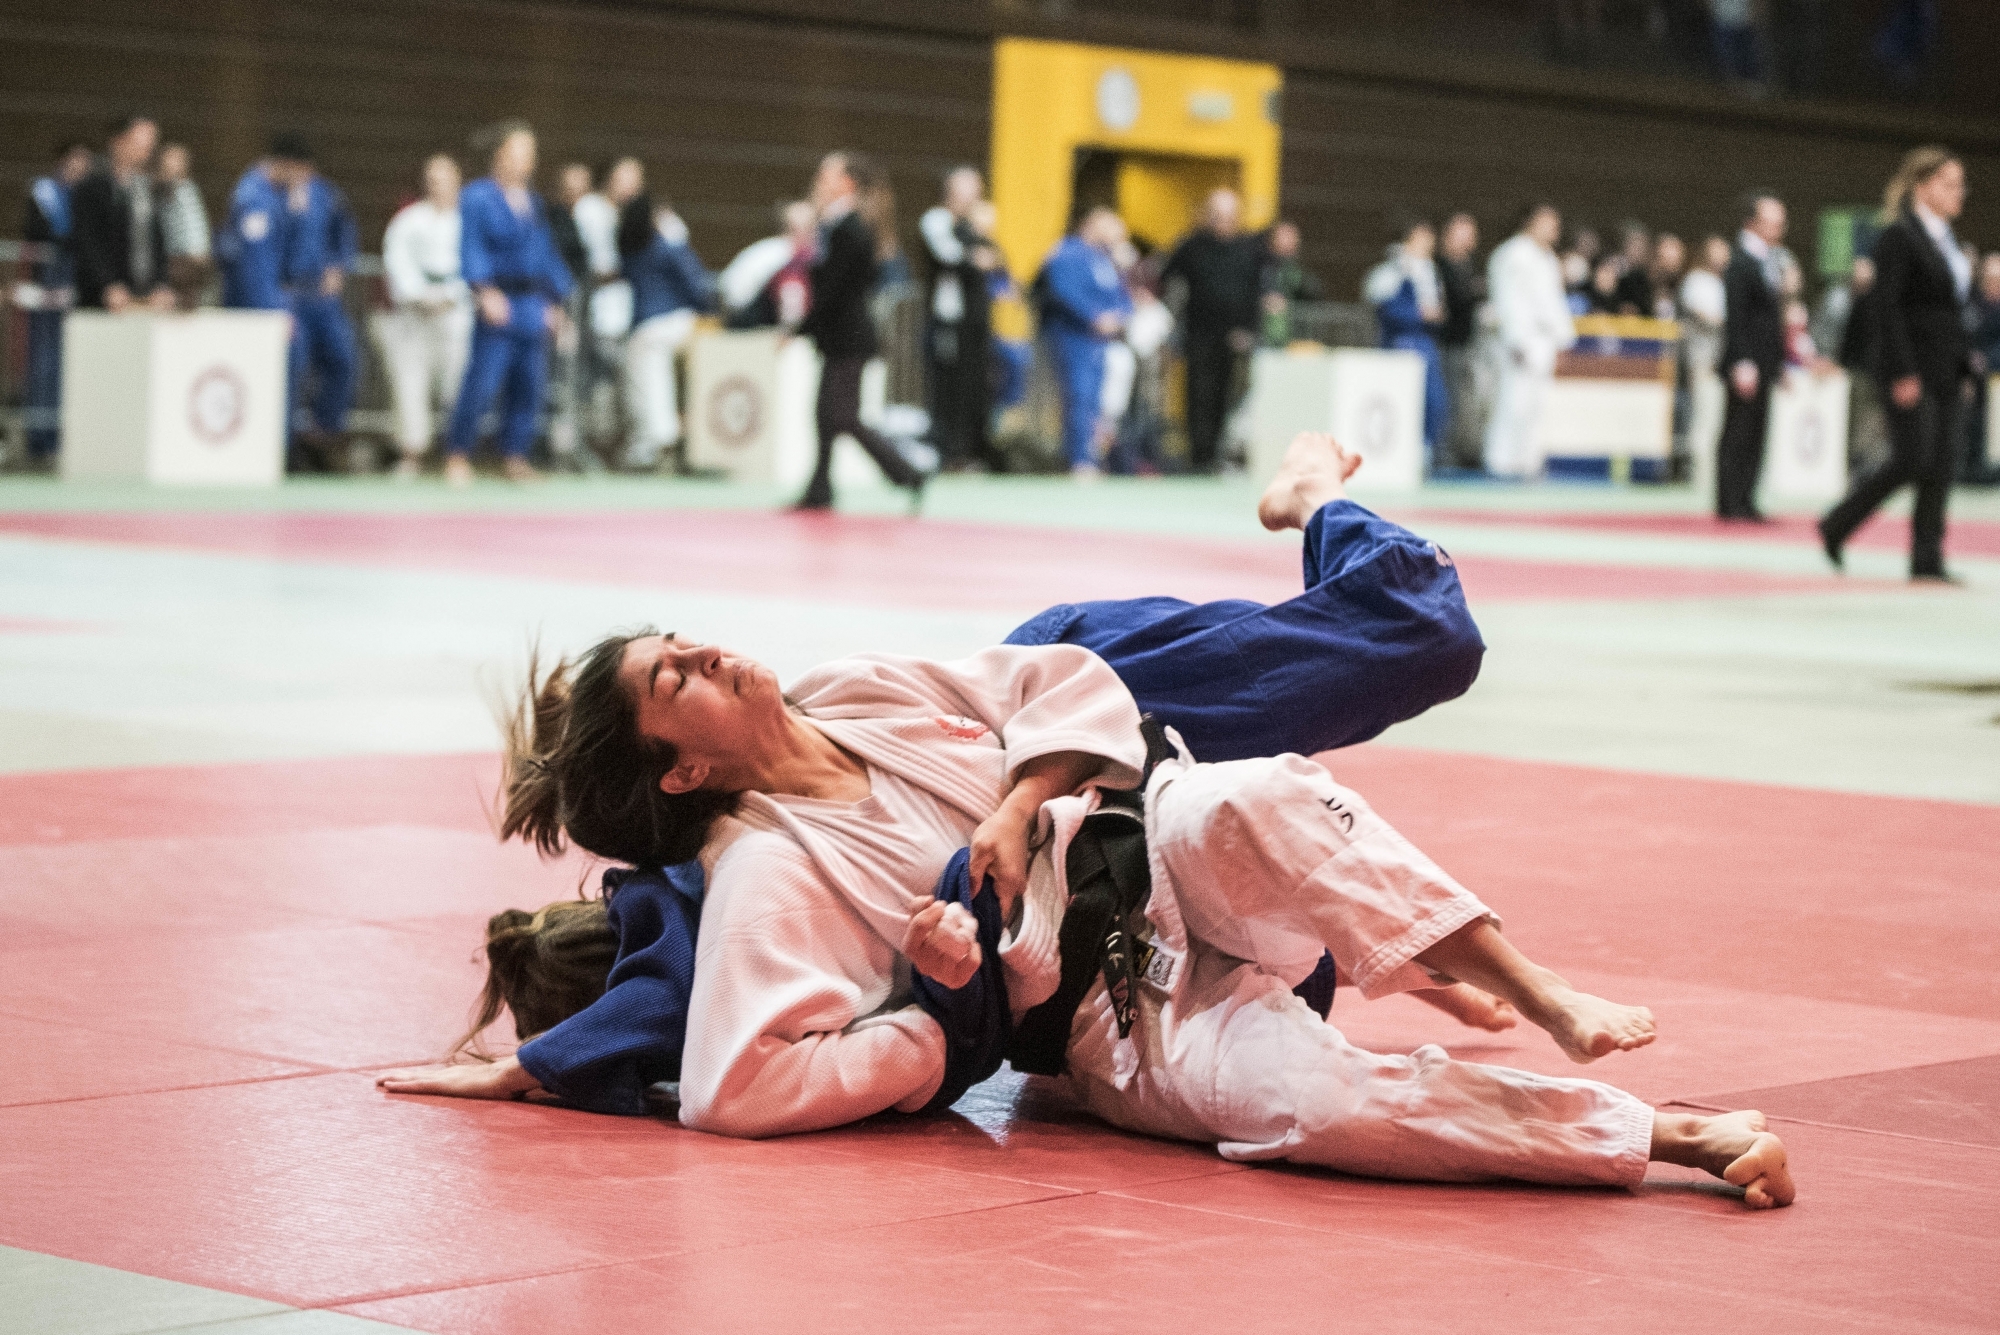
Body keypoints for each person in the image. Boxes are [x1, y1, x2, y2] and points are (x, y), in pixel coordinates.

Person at [379, 433, 1796, 1213]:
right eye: (676, 677)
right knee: (1308, 1103)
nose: (709, 651)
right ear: (680, 771)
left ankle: (1522, 976)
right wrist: (935, 1028)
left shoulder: (851, 687)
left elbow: (1061, 681)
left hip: (1135, 783)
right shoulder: (768, 876)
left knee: (1318, 734)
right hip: (1108, 1002)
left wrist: (1015, 797)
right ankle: (1654, 1125)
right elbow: (743, 1078)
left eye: (685, 636)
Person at [1821, 148, 1974, 582]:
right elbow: (1886, 311)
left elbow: (1950, 313)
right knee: (1912, 457)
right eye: (1949, 183)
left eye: (1961, 183)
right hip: (1912, 367)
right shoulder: (1899, 236)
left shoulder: (1948, 242)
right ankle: (1838, 523)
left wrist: (1963, 368)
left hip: (1946, 368)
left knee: (1942, 462)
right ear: (1922, 187)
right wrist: (1903, 371)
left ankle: (1927, 558)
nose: (1959, 192)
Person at [792, 151, 930, 512]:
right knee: (826, 415)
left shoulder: (850, 231)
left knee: (843, 418)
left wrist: (799, 327)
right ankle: (820, 488)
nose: (820, 180)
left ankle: (907, 473)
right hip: (840, 337)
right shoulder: (838, 228)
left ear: (846, 183)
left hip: (849, 338)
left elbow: (833, 290)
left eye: (827, 174)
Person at [217, 132, 360, 472]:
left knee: (343, 355)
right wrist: (275, 312)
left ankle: (321, 435)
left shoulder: (318, 192)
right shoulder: (253, 196)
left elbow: (343, 229)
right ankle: (281, 450)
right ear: (282, 165)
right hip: (276, 296)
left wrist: (337, 266)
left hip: (317, 295)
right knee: (290, 362)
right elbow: (255, 264)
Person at [442, 121, 574, 486]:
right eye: (519, 152)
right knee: (482, 381)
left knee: (529, 383)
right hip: (498, 297)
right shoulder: (478, 196)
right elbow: (471, 246)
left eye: (530, 153)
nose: (527, 160)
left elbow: (544, 254)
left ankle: (516, 456)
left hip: (532, 301)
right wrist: (483, 290)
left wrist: (555, 300)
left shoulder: (531, 201)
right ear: (500, 155)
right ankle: (458, 453)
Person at [373, 153, 471, 476]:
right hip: (414, 311)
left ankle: (456, 453)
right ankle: (411, 452)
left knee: (458, 383)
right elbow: (396, 259)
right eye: (432, 180)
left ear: (457, 181)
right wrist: (416, 295)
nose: (438, 186)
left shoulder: (468, 219)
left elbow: (476, 265)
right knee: (410, 381)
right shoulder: (410, 220)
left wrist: (451, 296)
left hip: (455, 309)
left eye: (444, 180)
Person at [1161, 189, 1264, 473]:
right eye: (1216, 215)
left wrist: (1248, 329)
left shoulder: (1248, 249)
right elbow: (1167, 278)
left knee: (1225, 396)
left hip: (1234, 337)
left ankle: (1216, 454)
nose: (1222, 221)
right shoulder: (1192, 246)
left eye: (1228, 215)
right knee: (1198, 395)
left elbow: (1255, 293)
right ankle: (1198, 456)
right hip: (1199, 333)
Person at [615, 191, 717, 473]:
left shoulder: (631, 247)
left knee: (646, 382)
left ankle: (655, 441)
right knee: (656, 379)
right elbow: (694, 283)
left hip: (652, 325)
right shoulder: (665, 246)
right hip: (673, 321)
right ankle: (662, 438)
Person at [1037, 207, 1132, 479]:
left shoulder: (1105, 259)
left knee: (1095, 399)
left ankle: (1092, 455)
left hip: (1099, 340)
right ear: (1092, 224)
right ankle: (1078, 458)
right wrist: (1094, 316)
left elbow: (1121, 295)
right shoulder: (1067, 252)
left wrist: (1120, 316)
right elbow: (1063, 291)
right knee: (1079, 395)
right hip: (1073, 335)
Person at [1483, 202, 1575, 479]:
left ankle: (1527, 462)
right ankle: (1500, 461)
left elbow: (1553, 303)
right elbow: (1508, 300)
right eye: (1547, 222)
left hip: (1544, 340)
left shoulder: (1546, 258)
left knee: (1537, 405)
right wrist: (1516, 339)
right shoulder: (1513, 254)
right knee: (1513, 400)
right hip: (1522, 339)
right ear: (1531, 222)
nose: (1553, 229)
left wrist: (1564, 338)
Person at [920, 167, 1002, 471]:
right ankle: (948, 450)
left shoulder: (973, 227)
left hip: (975, 321)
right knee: (948, 383)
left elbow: (995, 261)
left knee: (977, 383)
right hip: (948, 321)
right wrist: (974, 255)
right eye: (967, 190)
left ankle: (972, 450)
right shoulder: (938, 220)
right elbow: (951, 257)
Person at [17, 140, 93, 466]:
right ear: (63, 162)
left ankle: (67, 439)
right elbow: (37, 234)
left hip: (75, 292)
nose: (80, 168)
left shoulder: (87, 197)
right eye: (75, 161)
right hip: (45, 292)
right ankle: (40, 440)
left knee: (73, 365)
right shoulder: (44, 193)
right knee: (43, 365)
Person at [1715, 191, 1788, 522]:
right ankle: (1729, 501)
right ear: (1753, 224)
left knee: (1757, 431)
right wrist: (1743, 362)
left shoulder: (1768, 260)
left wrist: (1779, 362)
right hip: (1746, 362)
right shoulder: (1741, 261)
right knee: (1738, 430)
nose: (1779, 228)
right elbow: (1738, 316)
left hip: (1765, 361)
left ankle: (1746, 498)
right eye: (1771, 222)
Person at [1364, 215, 1449, 465]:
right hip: (1400, 343)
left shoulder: (1429, 271)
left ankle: (1424, 452)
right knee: (1400, 401)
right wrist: (1419, 314)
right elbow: (1386, 307)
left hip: (1425, 344)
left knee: (1435, 402)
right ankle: (1398, 453)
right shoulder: (1394, 270)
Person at [68, 113, 172, 313]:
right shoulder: (92, 186)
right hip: (102, 298)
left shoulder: (146, 189)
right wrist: (107, 284)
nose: (148, 148)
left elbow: (156, 241)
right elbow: (87, 241)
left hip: (144, 294)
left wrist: (161, 283)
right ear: (119, 141)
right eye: (141, 141)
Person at [1437, 212, 1486, 469]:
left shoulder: (1469, 265)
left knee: (1465, 401)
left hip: (1466, 342)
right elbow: (1454, 300)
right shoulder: (1440, 266)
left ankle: (1461, 451)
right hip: (1447, 343)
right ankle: (1442, 454)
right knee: (1446, 398)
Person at [719, 201, 817, 331]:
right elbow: (792, 311)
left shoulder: (766, 248)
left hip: (732, 314)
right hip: (749, 321)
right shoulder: (789, 258)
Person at [1680, 234, 1732, 477]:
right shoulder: (1696, 280)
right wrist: (1731, 323)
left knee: (1718, 417)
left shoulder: (1725, 282)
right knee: (1702, 414)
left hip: (1723, 359)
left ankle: (1714, 471)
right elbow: (1702, 314)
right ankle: (1697, 472)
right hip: (1702, 358)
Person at [154, 142, 211, 308]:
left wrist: (201, 249)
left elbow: (197, 221)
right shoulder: (163, 188)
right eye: (171, 158)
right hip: (174, 257)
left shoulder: (189, 189)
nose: (174, 163)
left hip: (194, 258)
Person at [1258, 219, 1323, 349]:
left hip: (1295, 338)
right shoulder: (1259, 268)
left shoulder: (1300, 272)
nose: (1287, 242)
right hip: (1262, 337)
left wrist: (1287, 303)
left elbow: (1314, 295)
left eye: (1291, 237)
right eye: (1282, 236)